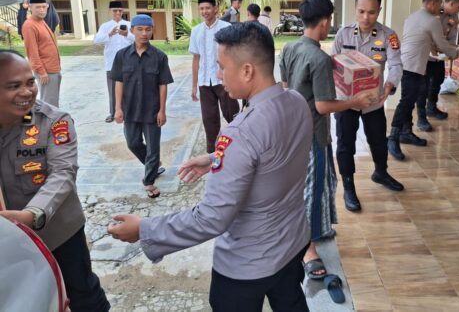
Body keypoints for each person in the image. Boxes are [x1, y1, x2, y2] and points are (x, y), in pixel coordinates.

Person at [108, 22, 313, 312]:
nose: (218, 74)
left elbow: (212, 217)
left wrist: (145, 229)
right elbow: (276, 154)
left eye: (221, 66)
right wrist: (217, 156)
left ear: (247, 71)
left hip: (248, 263)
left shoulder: (240, 133)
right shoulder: (296, 101)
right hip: (292, 243)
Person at [0, 50, 110, 312]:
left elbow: (63, 172)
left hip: (57, 232)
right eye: (13, 86)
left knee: (82, 293)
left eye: (30, 82)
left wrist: (32, 215)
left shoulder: (53, 121)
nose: (27, 92)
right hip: (8, 240)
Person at [280, 0, 372, 279]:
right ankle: (307, 247)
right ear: (324, 21)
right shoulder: (319, 58)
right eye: (330, 19)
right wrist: (355, 101)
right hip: (313, 134)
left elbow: (285, 86)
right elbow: (322, 106)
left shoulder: (289, 47)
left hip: (292, 129)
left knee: (316, 184)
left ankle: (316, 230)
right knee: (314, 189)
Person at [332, 0, 404, 212]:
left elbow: (396, 64)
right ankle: (349, 187)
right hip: (347, 102)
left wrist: (389, 84)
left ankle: (380, 172)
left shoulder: (388, 36)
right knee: (345, 144)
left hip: (373, 101)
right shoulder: (343, 34)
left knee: (379, 141)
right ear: (355, 9)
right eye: (361, 11)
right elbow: (333, 64)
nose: (365, 17)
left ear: (379, 11)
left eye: (371, 12)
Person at [388, 0, 459, 152]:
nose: (440, 7)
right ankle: (393, 137)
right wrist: (456, 53)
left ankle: (406, 132)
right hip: (413, 66)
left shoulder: (412, 17)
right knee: (406, 102)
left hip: (406, 64)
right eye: (439, 3)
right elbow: (442, 44)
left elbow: (421, 39)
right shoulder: (432, 20)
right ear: (433, 2)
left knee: (408, 100)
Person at [112, 14, 173, 198]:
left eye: (148, 29)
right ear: (132, 31)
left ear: (152, 31)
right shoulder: (122, 56)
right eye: (140, 29)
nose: (144, 33)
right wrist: (118, 108)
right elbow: (119, 82)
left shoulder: (159, 57)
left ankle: (149, 181)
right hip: (130, 109)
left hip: (152, 110)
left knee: (153, 148)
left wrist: (162, 110)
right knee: (133, 143)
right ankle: (153, 164)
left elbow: (163, 84)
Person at [190, 0, 240, 153]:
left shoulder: (226, 28)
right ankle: (212, 154)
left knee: (233, 115)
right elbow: (196, 59)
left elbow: (234, 55)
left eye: (207, 8)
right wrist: (194, 85)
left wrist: (233, 78)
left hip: (224, 81)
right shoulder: (196, 31)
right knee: (209, 120)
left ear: (215, 8)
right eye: (201, 8)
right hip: (204, 82)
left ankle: (241, 146)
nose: (204, 11)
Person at [415, 0, 459, 132]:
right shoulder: (433, 12)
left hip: (440, 56)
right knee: (423, 87)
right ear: (451, 3)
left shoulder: (454, 17)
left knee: (438, 80)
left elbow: (451, 36)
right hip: (426, 56)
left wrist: (452, 48)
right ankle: (421, 118)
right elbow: (424, 33)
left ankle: (431, 108)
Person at [93, 0, 135, 123]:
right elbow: (96, 41)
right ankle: (113, 113)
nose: (117, 13)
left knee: (129, 88)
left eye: (120, 10)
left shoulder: (129, 24)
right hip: (111, 63)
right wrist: (109, 34)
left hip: (128, 62)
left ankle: (129, 112)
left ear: (123, 11)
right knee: (112, 90)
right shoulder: (105, 26)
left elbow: (136, 39)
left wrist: (127, 34)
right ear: (110, 11)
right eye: (115, 10)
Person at [21, 0, 61, 107]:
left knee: (53, 101)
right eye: (38, 7)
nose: (42, 10)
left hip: (53, 69)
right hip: (46, 71)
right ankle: (48, 119)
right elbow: (32, 52)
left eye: (44, 7)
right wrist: (41, 72)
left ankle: (53, 118)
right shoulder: (29, 25)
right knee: (49, 103)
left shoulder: (41, 21)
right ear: (30, 7)